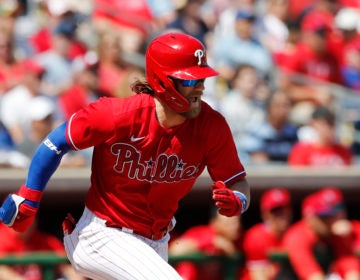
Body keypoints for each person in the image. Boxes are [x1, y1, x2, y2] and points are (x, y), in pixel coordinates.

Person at [0, 32, 250, 280]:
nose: (198, 88)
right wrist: (29, 197)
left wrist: (239, 200)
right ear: (163, 80)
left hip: (155, 243)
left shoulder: (211, 126)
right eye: (189, 81)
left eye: (201, 80)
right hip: (102, 234)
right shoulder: (118, 114)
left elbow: (237, 181)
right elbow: (55, 143)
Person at [283, 187, 360, 280]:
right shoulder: (297, 236)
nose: (331, 221)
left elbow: (350, 267)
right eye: (324, 217)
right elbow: (313, 276)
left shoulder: (338, 232)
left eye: (333, 215)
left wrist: (349, 238)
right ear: (309, 217)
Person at [0, 217, 85, 280]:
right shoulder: (2, 237)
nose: (27, 222)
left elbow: (65, 265)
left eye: (29, 216)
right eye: (20, 216)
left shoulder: (42, 239)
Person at [169, 209, 243, 280]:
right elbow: (175, 249)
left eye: (236, 222)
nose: (235, 226)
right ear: (214, 223)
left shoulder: (241, 239)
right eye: (228, 223)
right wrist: (211, 242)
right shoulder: (203, 233)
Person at [242, 187, 293, 280]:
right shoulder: (256, 236)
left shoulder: (294, 235)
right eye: (276, 211)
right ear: (265, 214)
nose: (283, 214)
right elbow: (259, 277)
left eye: (285, 209)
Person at [288, 106, 353, 166]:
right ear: (313, 124)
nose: (328, 128)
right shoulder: (301, 150)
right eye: (324, 124)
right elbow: (297, 176)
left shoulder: (343, 151)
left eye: (331, 124)